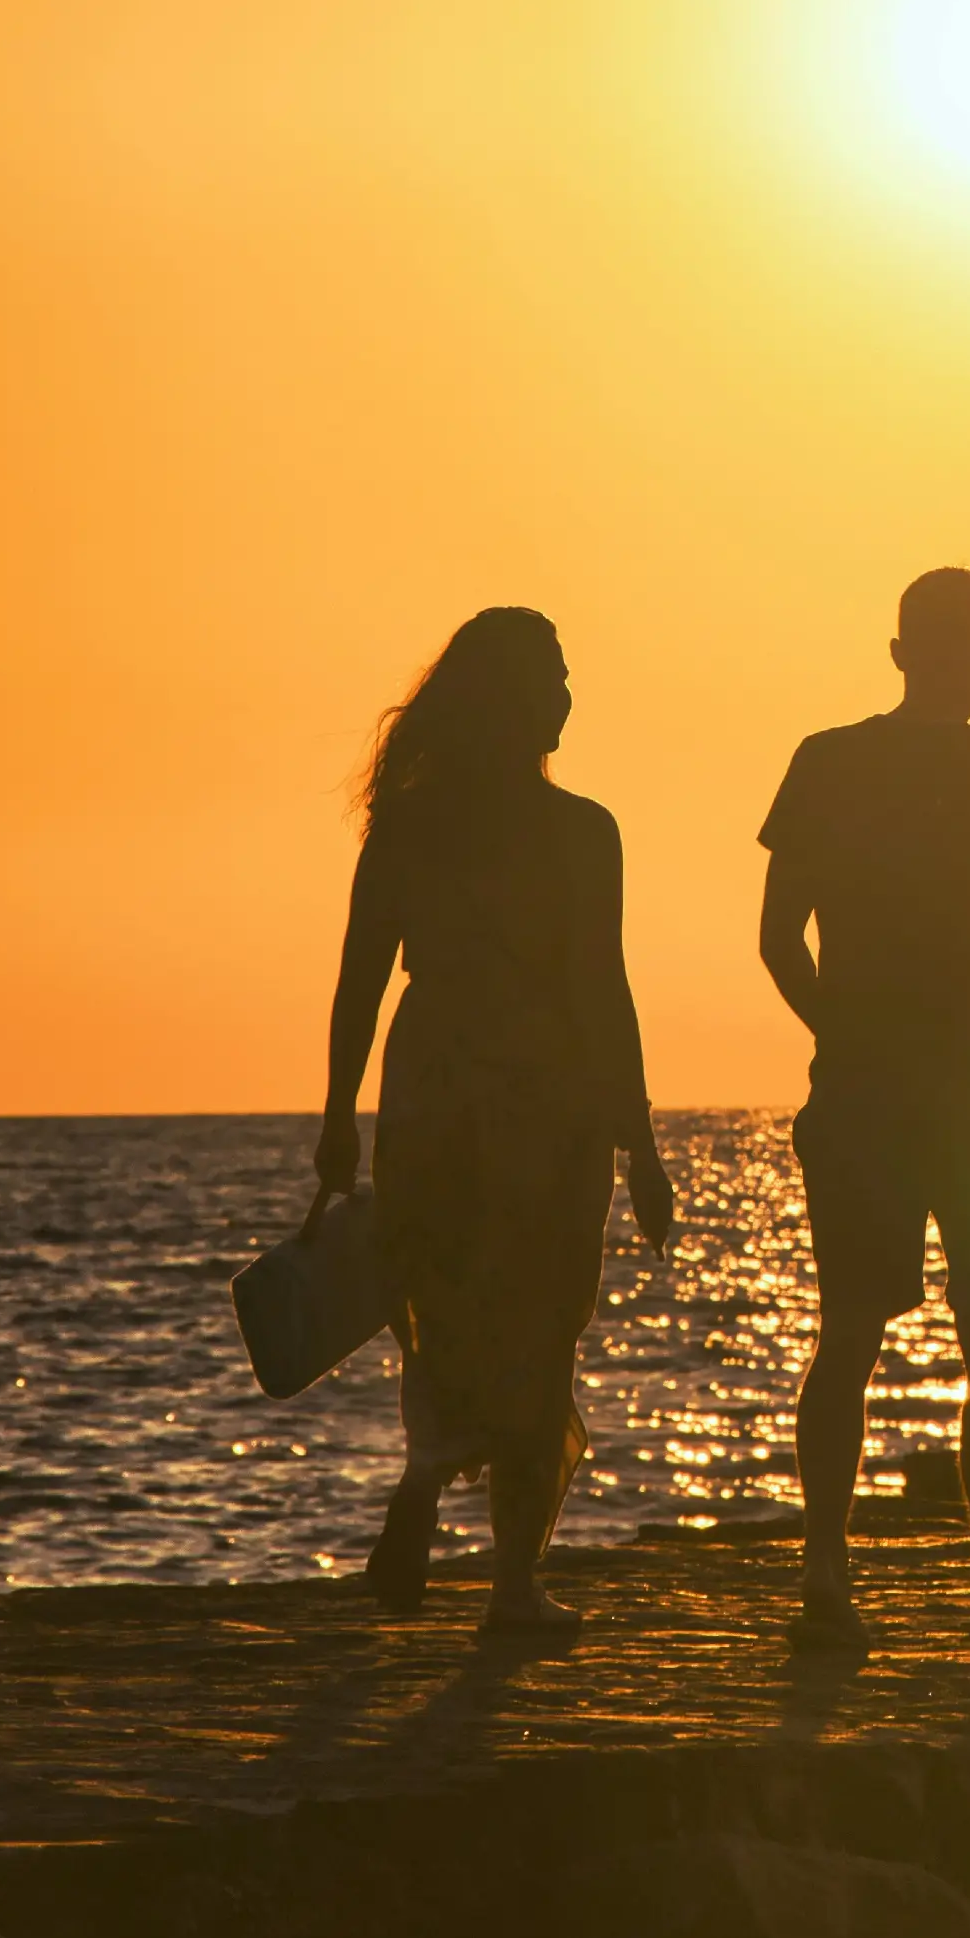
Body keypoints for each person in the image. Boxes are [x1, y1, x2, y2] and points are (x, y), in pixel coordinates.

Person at [315, 607, 674, 1637]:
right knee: (542, 1331)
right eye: (553, 677)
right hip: (545, 1101)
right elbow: (604, 990)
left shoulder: (410, 826)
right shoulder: (580, 831)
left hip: (432, 1088)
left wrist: (339, 1114)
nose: (567, 696)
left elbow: (360, 984)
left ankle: (428, 1472)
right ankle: (512, 1586)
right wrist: (638, 1140)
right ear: (513, 697)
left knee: (441, 1313)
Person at [759, 568, 970, 1643]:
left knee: (870, 1331)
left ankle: (838, 1575)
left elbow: (775, 938)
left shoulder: (839, 762)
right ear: (903, 653)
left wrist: (842, 1037)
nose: (966, 671)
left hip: (901, 1099)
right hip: (949, 1101)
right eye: (955, 650)